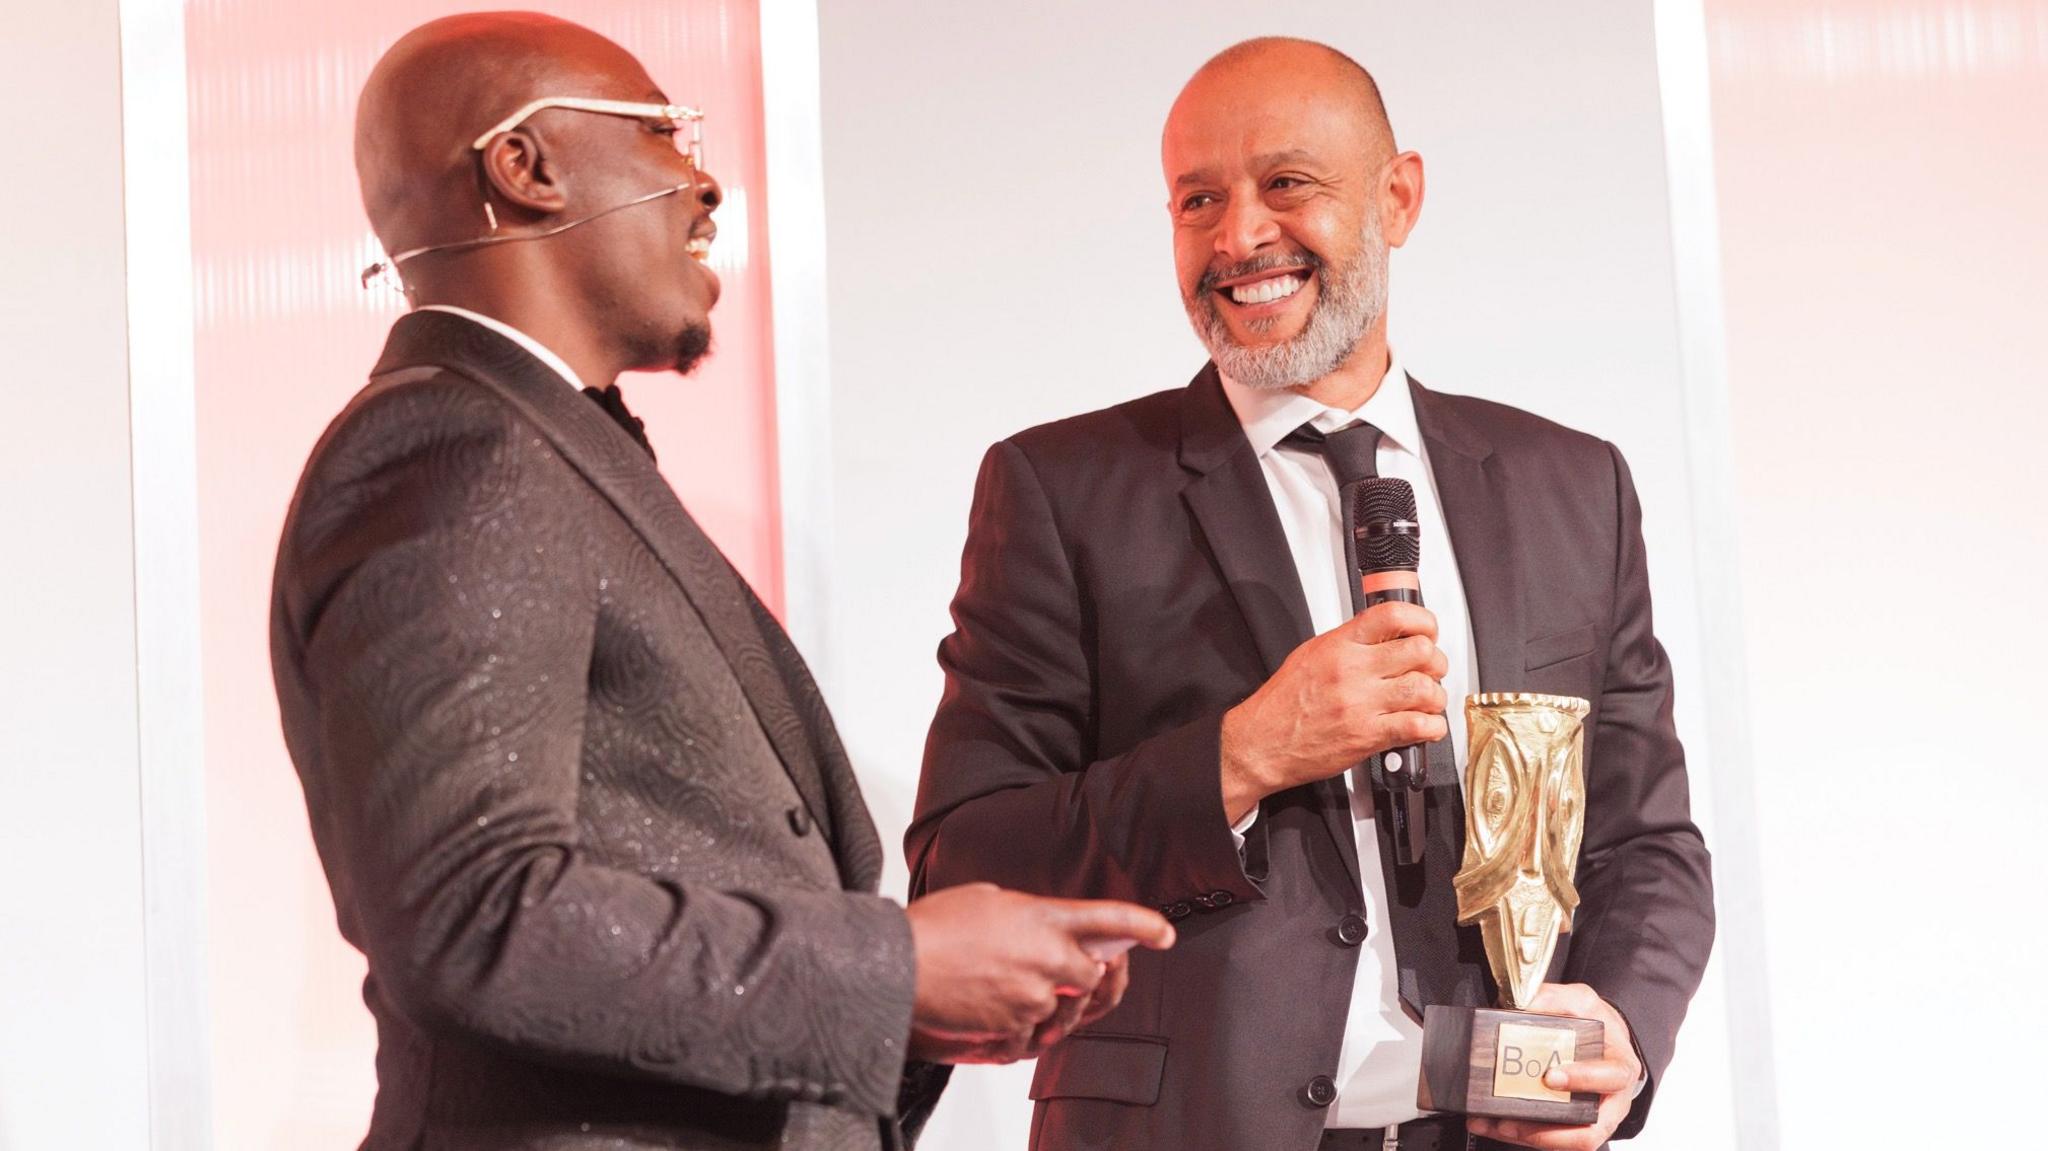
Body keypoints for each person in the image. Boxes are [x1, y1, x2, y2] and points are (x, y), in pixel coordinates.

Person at [270, 13, 1171, 1150]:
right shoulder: (459, 446)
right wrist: (893, 972)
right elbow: (472, 912)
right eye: (661, 132)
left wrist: (915, 1017)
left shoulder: (543, 445)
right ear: (525, 166)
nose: (702, 184)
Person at [909, 37, 1714, 1151]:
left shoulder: (1569, 484)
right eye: (1198, 200)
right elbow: (965, 863)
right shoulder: (1061, 488)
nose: (1238, 237)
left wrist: (1621, 1017)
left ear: (1397, 196)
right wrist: (1241, 751)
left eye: (1285, 183)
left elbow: (1643, 839)